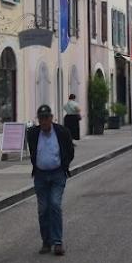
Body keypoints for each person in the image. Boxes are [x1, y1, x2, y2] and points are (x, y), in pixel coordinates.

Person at [26, 104, 75, 255]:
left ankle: (58, 242)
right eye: (41, 119)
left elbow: (70, 151)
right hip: (40, 175)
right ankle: (46, 242)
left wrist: (64, 165)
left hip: (57, 174)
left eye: (46, 118)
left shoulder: (61, 132)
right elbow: (33, 152)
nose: (44, 122)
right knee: (43, 209)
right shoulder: (33, 134)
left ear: (51, 118)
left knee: (54, 204)